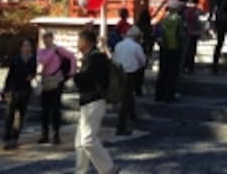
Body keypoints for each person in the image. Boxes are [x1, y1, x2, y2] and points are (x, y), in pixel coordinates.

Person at [73, 28, 115, 174]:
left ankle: (108, 169)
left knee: (87, 140)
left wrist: (75, 75)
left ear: (87, 42)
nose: (77, 43)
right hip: (87, 102)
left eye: (79, 40)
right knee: (80, 143)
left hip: (94, 101)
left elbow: (89, 78)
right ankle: (81, 171)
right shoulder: (89, 57)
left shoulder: (96, 58)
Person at [36, 31, 77, 145]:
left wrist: (72, 72)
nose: (46, 40)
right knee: (44, 110)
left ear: (52, 38)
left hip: (57, 81)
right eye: (44, 38)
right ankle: (44, 134)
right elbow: (43, 61)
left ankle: (56, 135)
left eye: (48, 38)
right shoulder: (41, 51)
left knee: (55, 109)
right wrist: (51, 51)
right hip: (46, 81)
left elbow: (72, 57)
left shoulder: (60, 50)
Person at [0, 38, 36, 150]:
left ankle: (15, 138)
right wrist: (4, 90)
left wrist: (32, 76)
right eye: (24, 46)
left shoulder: (33, 59)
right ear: (20, 48)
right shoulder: (15, 59)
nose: (26, 48)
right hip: (13, 90)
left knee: (20, 116)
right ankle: (7, 138)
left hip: (25, 90)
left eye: (28, 46)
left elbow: (33, 73)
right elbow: (9, 75)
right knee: (9, 115)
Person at [113, 26, 146, 136]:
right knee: (126, 99)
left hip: (118, 72)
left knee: (127, 96)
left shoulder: (119, 45)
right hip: (130, 73)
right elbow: (142, 61)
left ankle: (132, 114)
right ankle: (121, 126)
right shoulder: (136, 47)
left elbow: (114, 59)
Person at [154, 0, 184, 103]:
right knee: (172, 72)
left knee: (163, 71)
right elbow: (181, 34)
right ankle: (169, 95)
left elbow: (157, 31)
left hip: (164, 47)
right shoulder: (178, 19)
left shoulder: (164, 18)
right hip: (175, 47)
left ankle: (159, 95)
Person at [135, 9, 154, 96]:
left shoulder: (137, 27)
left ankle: (134, 88)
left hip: (136, 50)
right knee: (141, 71)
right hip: (144, 50)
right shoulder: (149, 28)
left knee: (136, 70)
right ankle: (139, 89)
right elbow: (151, 40)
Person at [183, 0, 203, 73]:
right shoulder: (198, 10)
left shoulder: (187, 9)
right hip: (195, 32)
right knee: (192, 49)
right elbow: (200, 21)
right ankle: (190, 66)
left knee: (187, 49)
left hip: (188, 31)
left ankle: (186, 65)